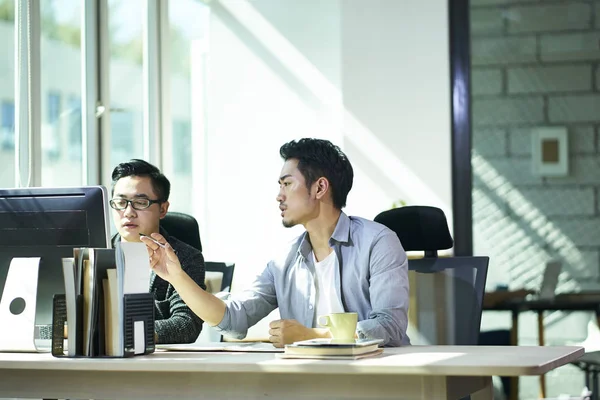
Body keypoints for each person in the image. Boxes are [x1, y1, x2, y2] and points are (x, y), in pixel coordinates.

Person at [142, 138, 410, 347]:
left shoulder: (378, 241)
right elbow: (233, 319)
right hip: (308, 381)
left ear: (319, 188)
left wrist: (312, 335)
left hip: (373, 375)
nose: (279, 196)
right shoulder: (285, 259)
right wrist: (176, 277)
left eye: (287, 184)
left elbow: (390, 326)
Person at [110, 159, 206, 344]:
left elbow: (186, 325)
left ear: (163, 209)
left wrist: (122, 333)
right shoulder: (92, 255)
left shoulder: (185, 258)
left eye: (140, 202)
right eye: (121, 202)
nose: (128, 212)